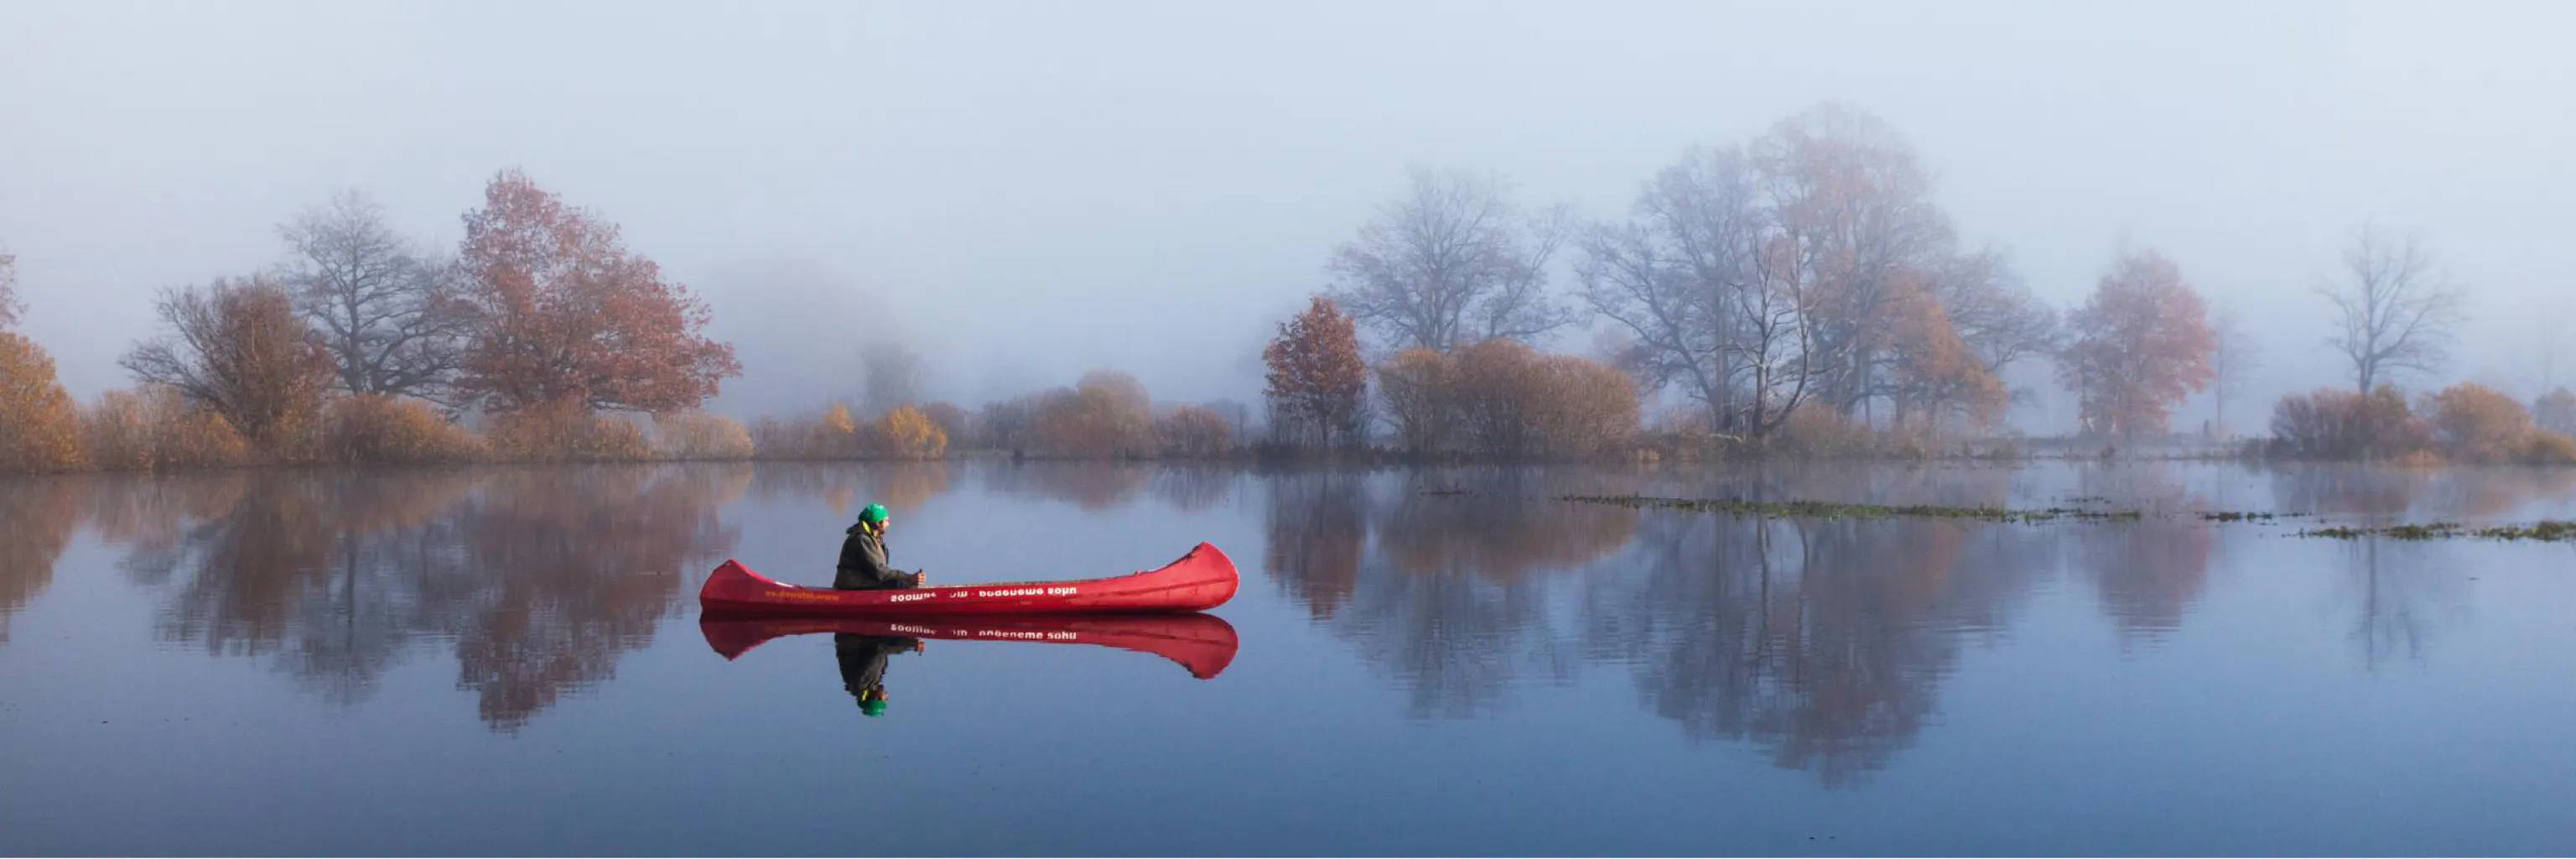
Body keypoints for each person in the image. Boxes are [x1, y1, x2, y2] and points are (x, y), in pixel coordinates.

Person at [834, 503, 927, 591]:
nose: (888, 524)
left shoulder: (873, 539)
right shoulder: (862, 539)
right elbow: (880, 572)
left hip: (862, 583)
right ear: (878, 523)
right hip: (853, 586)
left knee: (901, 582)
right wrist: (910, 578)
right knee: (900, 584)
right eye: (886, 520)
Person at [835, 632, 923, 717]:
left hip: (856, 634)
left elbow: (879, 649)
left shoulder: (863, 682)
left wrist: (910, 644)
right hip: (860, 637)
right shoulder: (868, 683)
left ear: (876, 698)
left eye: (883, 699)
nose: (887, 696)